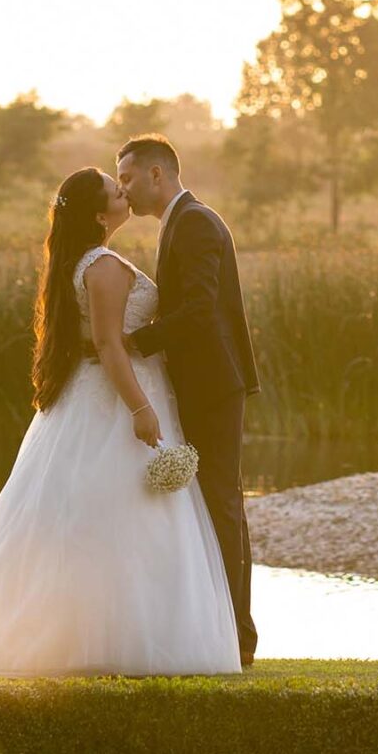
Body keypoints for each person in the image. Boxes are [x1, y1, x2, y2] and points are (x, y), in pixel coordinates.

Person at [0, 166, 240, 677]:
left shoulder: (84, 262)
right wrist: (141, 408)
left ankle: (103, 635)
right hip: (118, 400)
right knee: (123, 515)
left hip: (100, 395)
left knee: (97, 514)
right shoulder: (104, 266)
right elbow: (111, 344)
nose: (124, 192)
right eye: (116, 190)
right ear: (98, 213)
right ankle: (112, 640)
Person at [116, 133, 261, 665]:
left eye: (128, 177)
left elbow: (199, 310)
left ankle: (237, 636)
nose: (124, 190)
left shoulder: (196, 222)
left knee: (221, 505)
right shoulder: (181, 221)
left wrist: (136, 343)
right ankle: (220, 628)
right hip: (200, 382)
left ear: (158, 174)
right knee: (212, 504)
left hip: (213, 385)